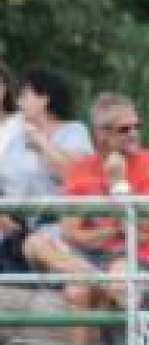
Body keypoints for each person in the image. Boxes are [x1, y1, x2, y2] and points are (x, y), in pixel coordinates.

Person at [56, 93, 149, 345]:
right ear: (101, 135)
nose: (134, 133)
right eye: (125, 129)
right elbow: (70, 232)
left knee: (117, 280)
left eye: (137, 126)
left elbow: (146, 230)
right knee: (71, 285)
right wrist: (115, 230)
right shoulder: (81, 168)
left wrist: (118, 183)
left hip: (137, 257)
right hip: (91, 259)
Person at [0, 66, 93, 283]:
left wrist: (42, 143)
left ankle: (103, 282)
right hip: (21, 228)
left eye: (25, 95)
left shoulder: (74, 131)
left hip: (61, 225)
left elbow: (76, 175)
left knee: (41, 245)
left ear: (44, 99)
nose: (19, 102)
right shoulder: (17, 140)